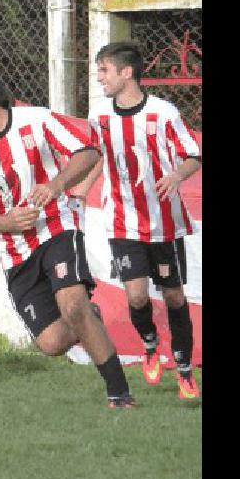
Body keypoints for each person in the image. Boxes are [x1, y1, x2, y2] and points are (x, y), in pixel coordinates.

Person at [0, 63, 135, 409]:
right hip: (15, 251)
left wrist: (58, 184)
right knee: (51, 343)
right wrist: (6, 222)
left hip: (58, 225)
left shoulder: (36, 121)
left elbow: (88, 150)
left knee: (73, 306)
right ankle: (90, 317)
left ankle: (119, 394)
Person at [88, 42, 202, 400]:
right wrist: (79, 191)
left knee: (172, 295)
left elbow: (193, 155)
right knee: (136, 297)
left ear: (127, 72)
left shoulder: (162, 113)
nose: (99, 77)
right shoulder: (99, 114)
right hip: (121, 221)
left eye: (104, 70)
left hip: (163, 223)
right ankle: (151, 346)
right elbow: (94, 157)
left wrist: (176, 176)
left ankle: (184, 370)